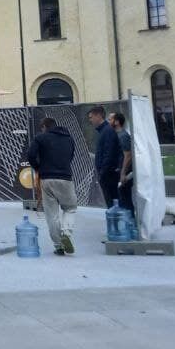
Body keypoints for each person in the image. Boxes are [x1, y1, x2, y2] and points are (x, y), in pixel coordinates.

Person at [26, 117, 77, 255]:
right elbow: (71, 155)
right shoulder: (69, 138)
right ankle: (66, 232)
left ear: (44, 127)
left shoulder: (40, 138)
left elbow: (30, 154)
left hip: (47, 179)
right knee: (70, 208)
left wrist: (38, 167)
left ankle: (58, 246)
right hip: (65, 178)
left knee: (52, 214)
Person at [89, 106, 123, 209]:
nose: (90, 120)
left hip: (109, 175)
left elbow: (109, 154)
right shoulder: (104, 131)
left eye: (91, 117)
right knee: (111, 202)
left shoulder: (107, 131)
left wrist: (102, 172)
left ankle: (115, 223)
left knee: (112, 202)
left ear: (98, 116)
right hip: (107, 174)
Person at [110, 112, 134, 213]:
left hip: (125, 174)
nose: (108, 121)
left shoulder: (123, 136)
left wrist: (123, 173)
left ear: (117, 122)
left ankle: (131, 223)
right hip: (120, 172)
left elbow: (128, 155)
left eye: (110, 119)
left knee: (125, 200)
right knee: (122, 200)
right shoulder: (116, 135)